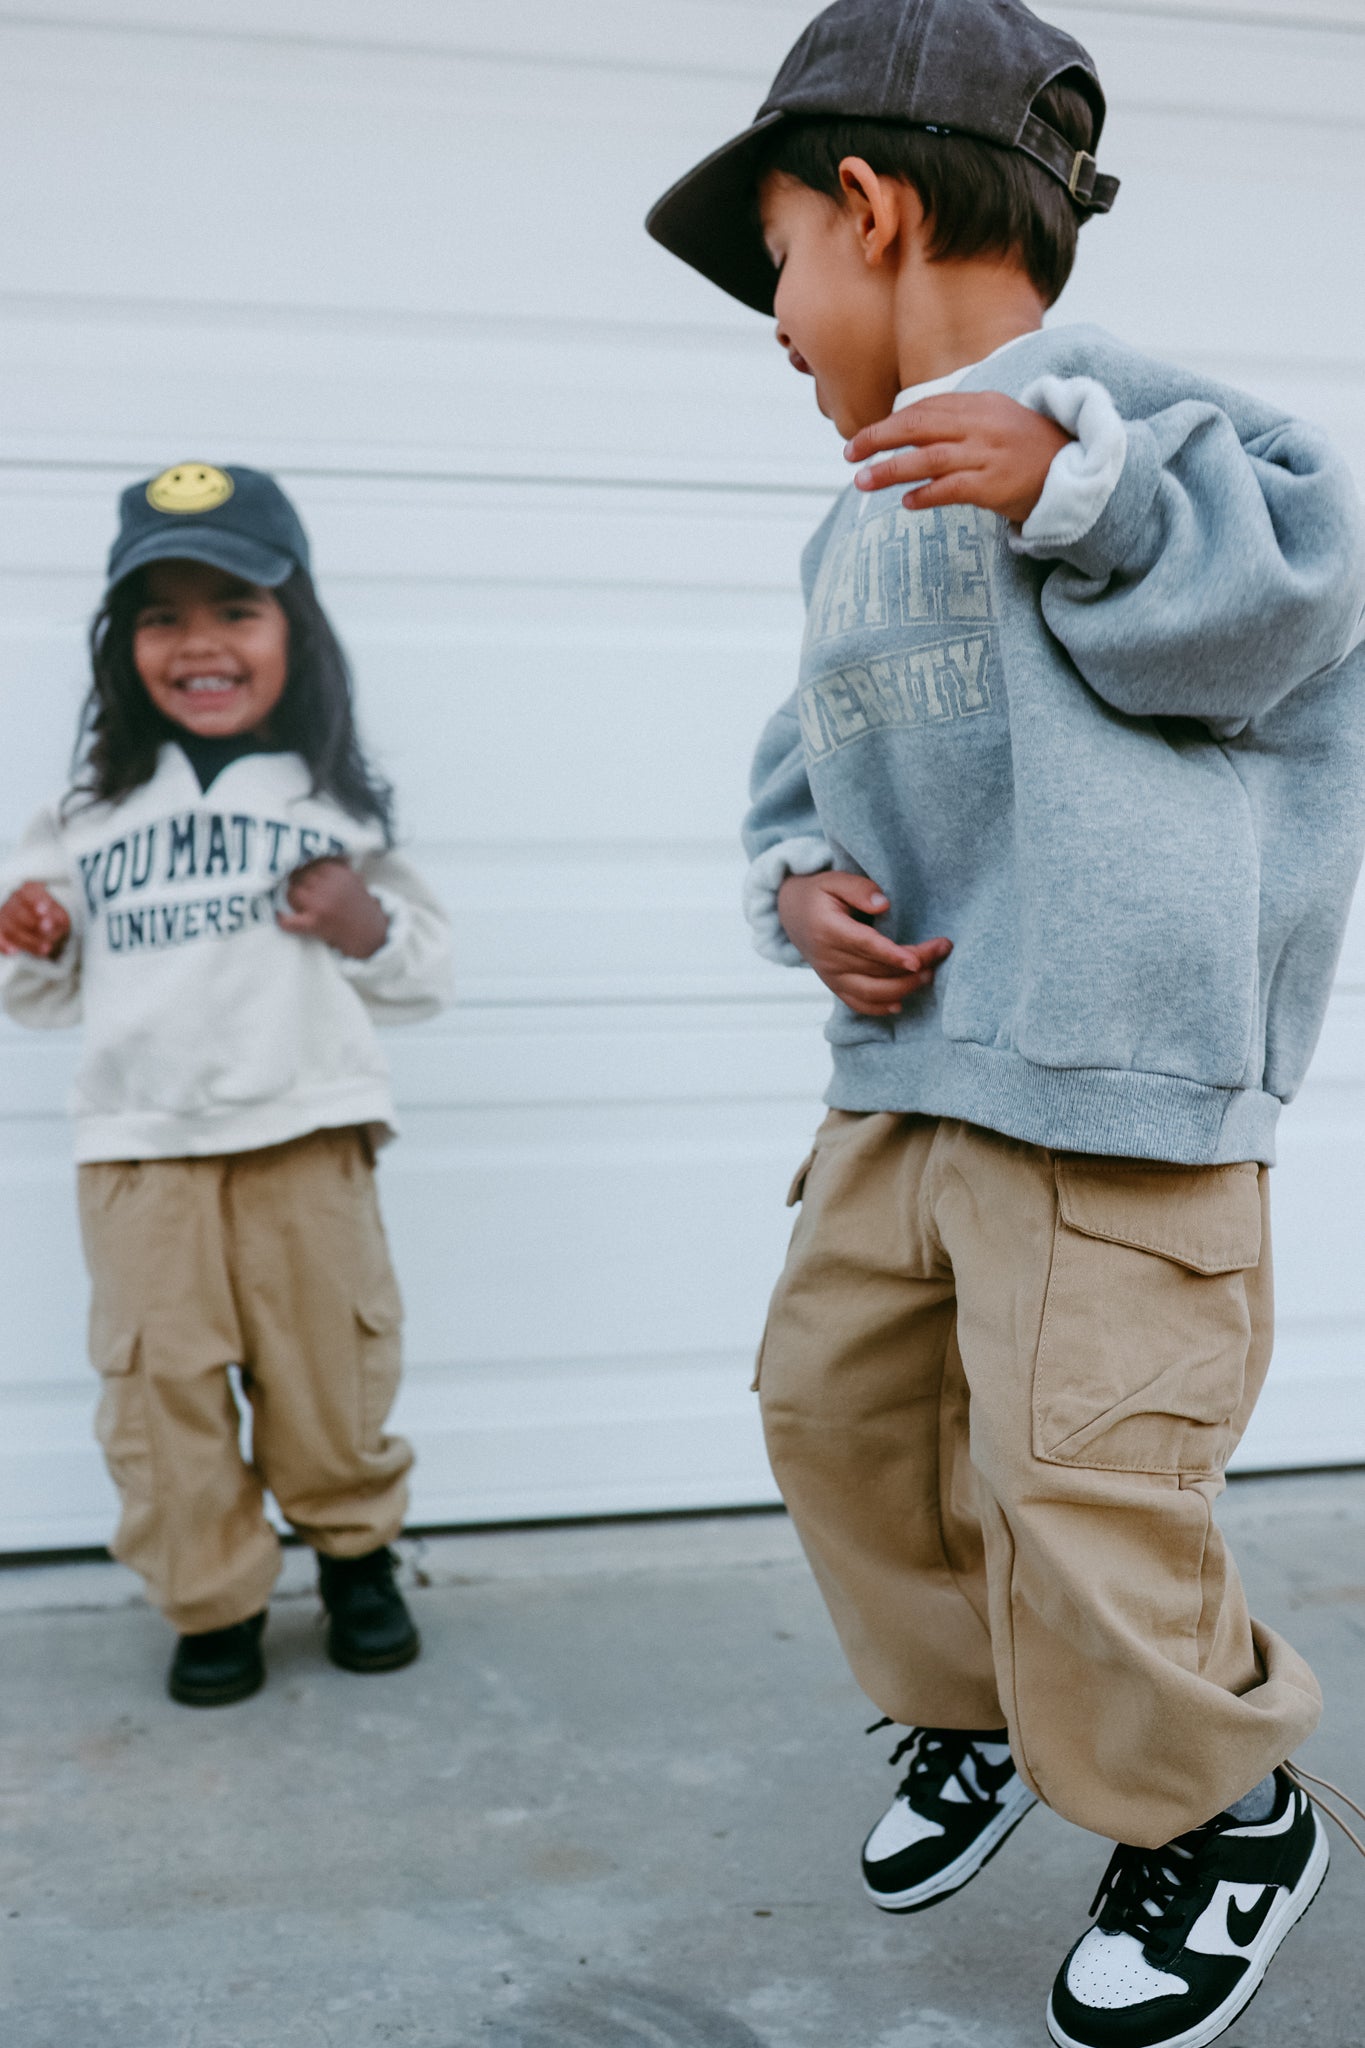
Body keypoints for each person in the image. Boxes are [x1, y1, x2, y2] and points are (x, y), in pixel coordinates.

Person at [646, 2, 1365, 2042]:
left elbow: (1286, 616)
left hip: (1104, 1090)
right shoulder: (857, 513)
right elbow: (811, 758)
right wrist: (798, 886)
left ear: (867, 207)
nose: (774, 320)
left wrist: (1079, 492)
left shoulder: (1154, 430)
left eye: (775, 260)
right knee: (832, 1404)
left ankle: (1215, 1813)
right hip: (906, 1080)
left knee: (1080, 1475)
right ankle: (965, 1710)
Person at [0, 464, 453, 1708]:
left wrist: (364, 925)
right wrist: (25, 935)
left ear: (293, 631)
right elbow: (38, 997)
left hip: (306, 1131)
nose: (199, 641)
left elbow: (425, 975)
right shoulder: (84, 814)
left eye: (234, 608)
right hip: (139, 1153)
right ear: (122, 647)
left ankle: (357, 1554)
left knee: (328, 1372)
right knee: (163, 1390)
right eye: (162, 615)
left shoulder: (330, 800)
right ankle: (213, 1597)